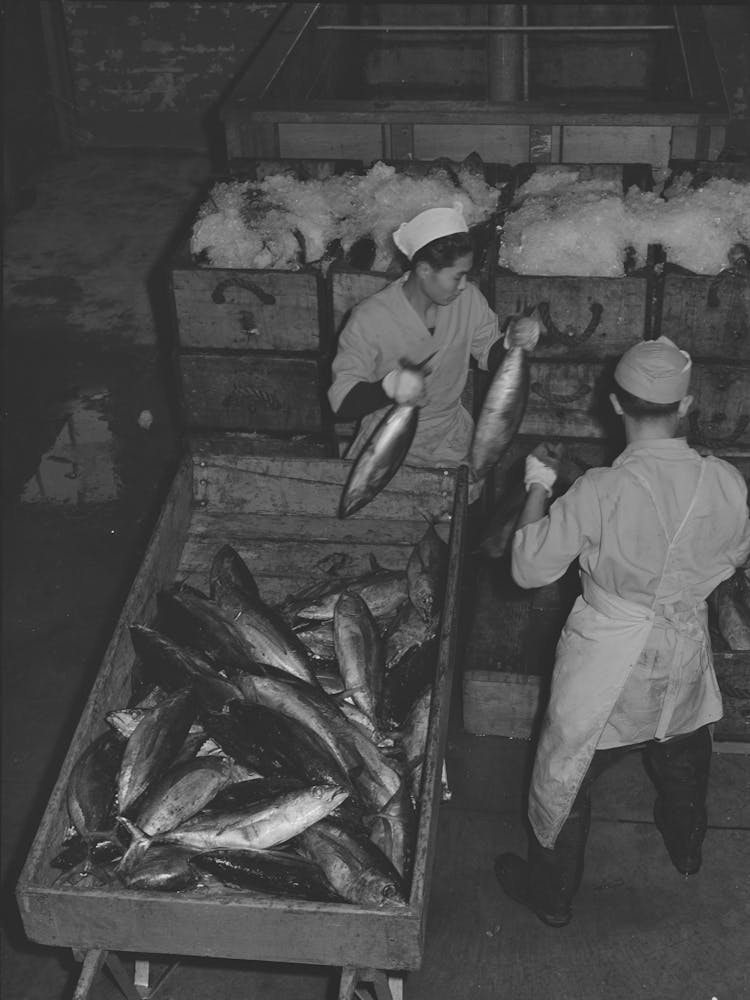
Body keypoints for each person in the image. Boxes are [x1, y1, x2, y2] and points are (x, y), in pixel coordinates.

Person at [494, 335, 750, 928]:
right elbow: (736, 555)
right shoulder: (726, 482)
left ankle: (553, 893)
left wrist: (538, 484)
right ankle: (686, 848)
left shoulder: (599, 490)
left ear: (615, 404)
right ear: (685, 406)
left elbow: (528, 568)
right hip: (683, 649)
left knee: (567, 773)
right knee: (683, 755)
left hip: (607, 657)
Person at [327, 203, 540, 486]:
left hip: (449, 446)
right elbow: (341, 402)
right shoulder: (370, 318)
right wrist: (388, 387)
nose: (463, 285)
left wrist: (513, 344)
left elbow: (490, 354)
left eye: (466, 275)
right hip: (385, 446)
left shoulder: (468, 301)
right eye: (457, 276)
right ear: (424, 270)